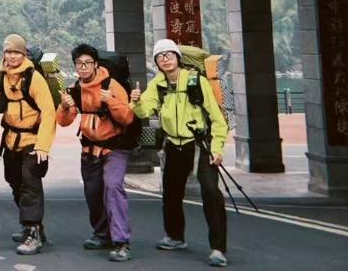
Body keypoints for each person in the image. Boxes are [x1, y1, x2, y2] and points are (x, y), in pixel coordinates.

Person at [130, 39, 229, 268]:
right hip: (174, 144)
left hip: (199, 144)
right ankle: (175, 237)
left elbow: (217, 119)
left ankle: (218, 249)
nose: (165, 60)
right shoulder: (157, 84)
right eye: (160, 57)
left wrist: (217, 148)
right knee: (171, 193)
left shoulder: (196, 81)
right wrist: (136, 102)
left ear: (177, 57)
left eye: (169, 55)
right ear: (156, 62)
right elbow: (144, 111)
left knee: (211, 192)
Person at [0, 34, 56, 255]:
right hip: (11, 140)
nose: (12, 56)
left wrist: (43, 146)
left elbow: (49, 112)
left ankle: (32, 233)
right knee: (14, 181)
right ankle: (34, 226)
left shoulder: (34, 78)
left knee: (30, 183)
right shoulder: (0, 78)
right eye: (8, 52)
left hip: (33, 140)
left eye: (16, 52)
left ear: (23, 54)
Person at [58, 44, 135, 262]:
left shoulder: (112, 85)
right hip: (89, 149)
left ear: (95, 64)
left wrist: (110, 101)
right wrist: (64, 107)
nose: (83, 67)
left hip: (114, 147)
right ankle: (102, 234)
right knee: (92, 192)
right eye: (79, 63)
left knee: (113, 186)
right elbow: (64, 122)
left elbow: (127, 117)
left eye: (87, 63)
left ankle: (121, 242)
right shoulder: (75, 89)